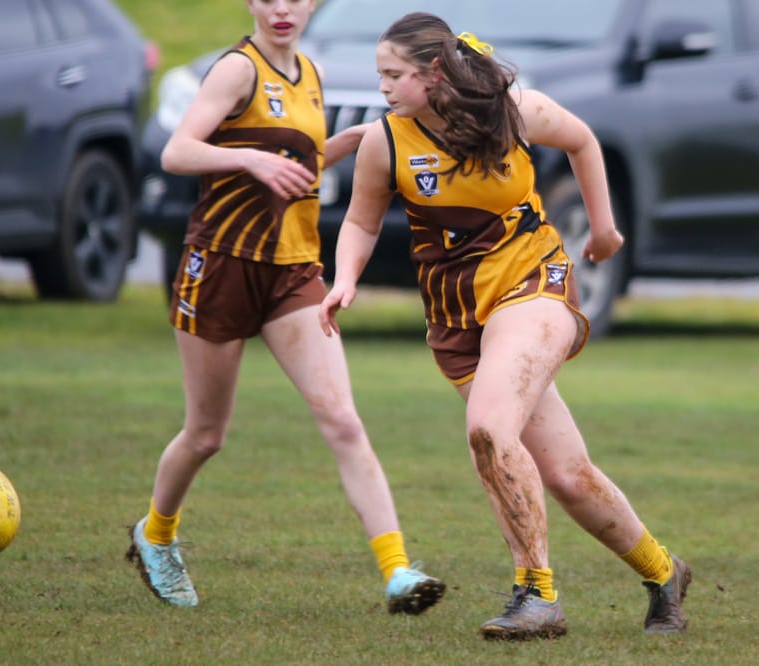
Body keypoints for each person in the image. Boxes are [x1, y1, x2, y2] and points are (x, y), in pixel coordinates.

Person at [318, 12, 691, 640]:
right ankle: (663, 572)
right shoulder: (385, 141)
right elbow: (359, 221)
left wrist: (602, 230)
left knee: (489, 428)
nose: (381, 86)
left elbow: (582, 141)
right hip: (458, 315)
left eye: (393, 75)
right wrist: (346, 278)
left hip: (533, 282)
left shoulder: (514, 112)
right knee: (567, 475)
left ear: (434, 73)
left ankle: (537, 596)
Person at [124, 0, 445, 615]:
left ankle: (398, 572)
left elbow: (295, 170)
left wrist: (344, 145)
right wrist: (246, 157)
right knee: (206, 434)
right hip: (220, 264)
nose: (282, 8)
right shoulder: (237, 71)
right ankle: (156, 535)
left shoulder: (312, 73)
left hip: (294, 271)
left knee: (343, 421)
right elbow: (177, 152)